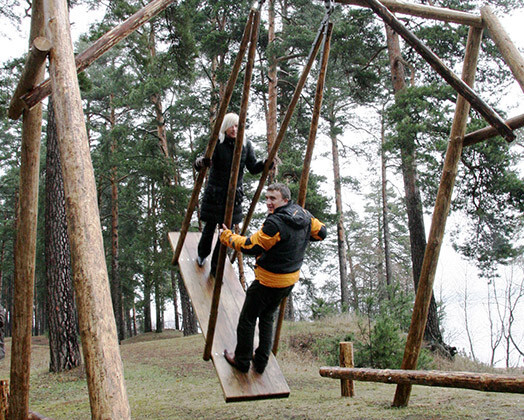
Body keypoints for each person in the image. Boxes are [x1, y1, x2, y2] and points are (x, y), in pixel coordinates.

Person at [219, 183, 327, 374]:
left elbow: (250, 247)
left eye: (273, 199)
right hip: (288, 281)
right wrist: (298, 238)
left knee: (247, 319)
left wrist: (227, 237)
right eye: (267, 198)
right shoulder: (304, 215)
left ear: (285, 200)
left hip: (267, 281)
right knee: (267, 317)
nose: (268, 202)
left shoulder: (275, 224)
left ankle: (242, 361)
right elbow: (321, 233)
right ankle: (261, 363)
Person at [194, 112, 266, 276]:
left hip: (233, 197)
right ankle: (202, 254)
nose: (234, 129)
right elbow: (201, 162)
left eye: (237, 126)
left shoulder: (245, 144)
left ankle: (216, 268)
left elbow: (253, 167)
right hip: (215, 194)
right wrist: (201, 162)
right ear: (225, 127)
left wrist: (265, 163)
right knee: (210, 228)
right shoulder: (217, 143)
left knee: (226, 233)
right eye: (231, 126)